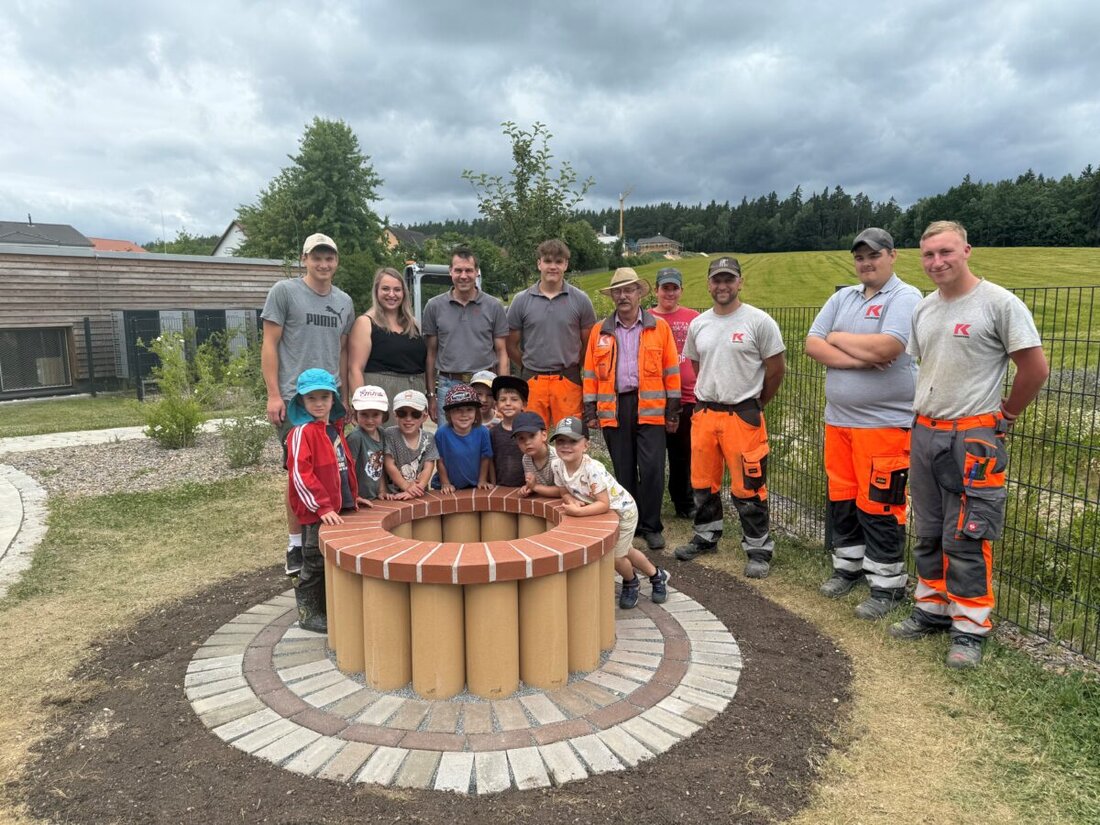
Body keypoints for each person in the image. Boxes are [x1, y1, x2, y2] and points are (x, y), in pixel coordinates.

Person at [890, 221, 1048, 669]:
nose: (937, 262)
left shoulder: (998, 303)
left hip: (973, 436)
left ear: (967, 251)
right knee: (929, 525)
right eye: (928, 255)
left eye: (946, 252)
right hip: (924, 430)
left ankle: (970, 627)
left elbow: (1034, 369)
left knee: (969, 532)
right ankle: (932, 609)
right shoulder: (924, 308)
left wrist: (1009, 415)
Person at [805, 228, 923, 619]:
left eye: (874, 255)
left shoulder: (905, 297)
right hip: (839, 420)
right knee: (842, 496)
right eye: (859, 257)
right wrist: (860, 358)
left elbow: (889, 347)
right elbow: (812, 343)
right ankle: (848, 567)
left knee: (880, 503)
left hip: (884, 424)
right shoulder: (843, 297)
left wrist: (838, 338)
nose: (866, 263)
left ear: (892, 256)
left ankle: (887, 585)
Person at [674, 257, 786, 579]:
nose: (722, 286)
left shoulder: (759, 321)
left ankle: (758, 548)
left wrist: (756, 402)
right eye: (716, 280)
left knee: (749, 486)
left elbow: (776, 369)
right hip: (706, 413)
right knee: (703, 482)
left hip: (743, 414)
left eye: (729, 280)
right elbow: (698, 366)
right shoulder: (700, 324)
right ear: (708, 284)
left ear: (740, 282)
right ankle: (706, 536)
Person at [261, 232, 354, 578]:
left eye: (329, 258)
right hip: (294, 400)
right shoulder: (284, 293)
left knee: (331, 468)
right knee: (299, 473)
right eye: (317, 257)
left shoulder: (344, 301)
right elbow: (270, 344)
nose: (323, 264)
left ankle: (324, 540)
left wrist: (344, 397)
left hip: (330, 400)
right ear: (305, 259)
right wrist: (274, 394)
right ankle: (295, 545)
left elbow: (342, 351)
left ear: (336, 261)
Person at [582, 267, 681, 551]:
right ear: (612, 295)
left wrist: (672, 412)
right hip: (614, 407)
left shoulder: (658, 328)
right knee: (623, 469)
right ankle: (630, 521)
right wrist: (591, 412)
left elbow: (671, 371)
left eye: (629, 290)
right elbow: (589, 373)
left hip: (651, 406)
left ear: (639, 293)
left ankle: (651, 525)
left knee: (651, 469)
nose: (623, 296)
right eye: (618, 291)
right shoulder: (599, 331)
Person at [549, 416, 670, 609]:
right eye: (561, 441)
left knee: (615, 555)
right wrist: (570, 501)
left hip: (622, 512)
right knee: (626, 550)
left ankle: (631, 581)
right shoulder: (557, 465)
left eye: (573, 441)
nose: (566, 446)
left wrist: (578, 512)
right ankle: (656, 575)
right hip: (603, 513)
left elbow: (604, 504)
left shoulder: (592, 468)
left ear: (586, 445)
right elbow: (563, 489)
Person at [284, 368, 360, 633]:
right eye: (311, 398)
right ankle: (308, 613)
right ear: (301, 402)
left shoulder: (334, 429)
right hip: (316, 512)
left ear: (333, 399)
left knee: (330, 560)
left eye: (324, 397)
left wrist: (353, 496)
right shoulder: (301, 433)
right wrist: (321, 506)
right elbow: (300, 475)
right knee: (314, 560)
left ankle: (328, 607)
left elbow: (343, 467)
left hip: (334, 509)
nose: (318, 403)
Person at [506, 239, 597, 426]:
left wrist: (574, 366)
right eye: (547, 261)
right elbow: (510, 344)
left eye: (558, 261)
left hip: (568, 379)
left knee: (571, 438)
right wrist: (527, 365)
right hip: (532, 379)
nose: (553, 267)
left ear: (566, 264)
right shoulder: (521, 300)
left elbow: (589, 344)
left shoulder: (581, 300)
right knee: (531, 438)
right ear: (539, 263)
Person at [423, 248, 509, 422]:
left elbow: (502, 352)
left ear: (476, 272)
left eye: (468, 270)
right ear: (450, 271)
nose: (463, 276)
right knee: (448, 442)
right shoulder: (434, 306)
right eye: (458, 270)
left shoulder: (494, 306)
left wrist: (502, 394)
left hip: (485, 386)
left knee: (487, 440)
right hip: (448, 384)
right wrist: (431, 395)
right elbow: (431, 354)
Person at [649, 266, 701, 519]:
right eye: (665, 288)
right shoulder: (646, 318)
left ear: (681, 290)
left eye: (674, 288)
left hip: (688, 396)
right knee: (653, 456)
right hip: (654, 398)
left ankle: (684, 502)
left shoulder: (694, 318)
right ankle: (650, 503)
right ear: (656, 290)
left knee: (683, 455)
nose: (669, 293)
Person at [346, 267, 429, 403]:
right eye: (385, 289)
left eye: (397, 289)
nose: (391, 294)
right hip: (380, 399)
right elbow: (355, 369)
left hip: (413, 400)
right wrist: (361, 405)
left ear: (404, 293)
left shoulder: (413, 324)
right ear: (376, 291)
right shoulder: (365, 323)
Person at [433, 383, 493, 493]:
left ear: (476, 412)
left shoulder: (483, 432)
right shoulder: (441, 433)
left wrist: (482, 480)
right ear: (449, 413)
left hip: (475, 484)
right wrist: (445, 483)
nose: (464, 414)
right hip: (451, 486)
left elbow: (485, 458)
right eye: (458, 410)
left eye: (469, 409)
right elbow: (439, 461)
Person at [383, 389, 438, 500]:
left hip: (419, 492)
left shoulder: (429, 438)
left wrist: (416, 490)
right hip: (392, 495)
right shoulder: (390, 434)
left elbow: (428, 467)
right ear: (395, 415)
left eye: (415, 414)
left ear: (424, 416)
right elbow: (389, 464)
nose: (408, 419)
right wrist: (407, 486)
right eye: (402, 413)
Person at [346, 385, 390, 503]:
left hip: (374, 496)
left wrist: (382, 490)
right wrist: (353, 496)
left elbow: (380, 466)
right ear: (356, 413)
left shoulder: (382, 433)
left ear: (383, 415)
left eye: (375, 414)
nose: (370, 420)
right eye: (364, 414)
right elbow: (348, 470)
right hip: (358, 498)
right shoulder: (355, 437)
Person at [488, 375, 530, 487]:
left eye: (514, 399)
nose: (508, 403)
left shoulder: (531, 432)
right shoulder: (492, 433)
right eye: (503, 399)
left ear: (524, 404)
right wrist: (493, 484)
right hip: (500, 487)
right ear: (496, 405)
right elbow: (490, 461)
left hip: (526, 488)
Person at [512, 411, 558, 497]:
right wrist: (528, 488)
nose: (527, 442)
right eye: (521, 438)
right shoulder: (526, 459)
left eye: (532, 435)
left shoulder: (557, 458)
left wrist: (535, 487)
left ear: (544, 435)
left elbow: (563, 491)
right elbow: (532, 484)